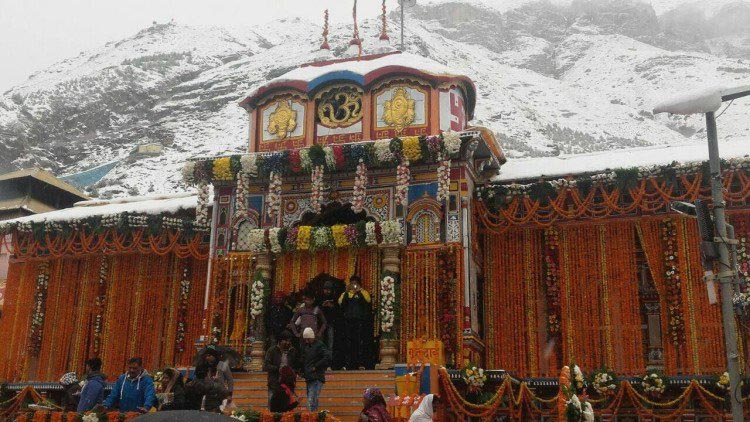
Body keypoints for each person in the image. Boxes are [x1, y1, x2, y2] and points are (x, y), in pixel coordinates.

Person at [339, 276, 373, 369]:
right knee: (349, 343)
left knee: (360, 343)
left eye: (355, 283)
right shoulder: (346, 293)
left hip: (360, 322)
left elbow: (368, 300)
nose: (353, 285)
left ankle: (360, 363)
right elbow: (340, 302)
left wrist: (359, 291)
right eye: (352, 283)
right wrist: (346, 291)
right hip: (348, 322)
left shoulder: (363, 292)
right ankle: (349, 364)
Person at [264, 329, 299, 407]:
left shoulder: (292, 351)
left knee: (286, 407)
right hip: (274, 383)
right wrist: (278, 369)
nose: (288, 343)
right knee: (272, 406)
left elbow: (296, 365)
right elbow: (266, 365)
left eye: (289, 341)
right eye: (286, 341)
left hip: (287, 385)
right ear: (280, 341)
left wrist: (293, 372)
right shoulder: (272, 350)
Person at [300, 327, 331, 411]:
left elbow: (327, 357)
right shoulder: (306, 347)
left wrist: (316, 366)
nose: (306, 341)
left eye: (308, 339)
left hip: (316, 376)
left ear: (312, 337)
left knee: (311, 401)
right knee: (312, 400)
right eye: (305, 339)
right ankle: (314, 417)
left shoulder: (319, 345)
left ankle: (312, 417)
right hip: (309, 377)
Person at [318, 280, 343, 368]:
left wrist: (332, 306)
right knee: (320, 344)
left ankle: (329, 363)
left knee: (330, 344)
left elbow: (339, 312)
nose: (327, 291)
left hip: (331, 324)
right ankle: (321, 363)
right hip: (321, 325)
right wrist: (322, 306)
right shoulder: (319, 298)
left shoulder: (335, 298)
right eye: (326, 289)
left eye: (329, 290)